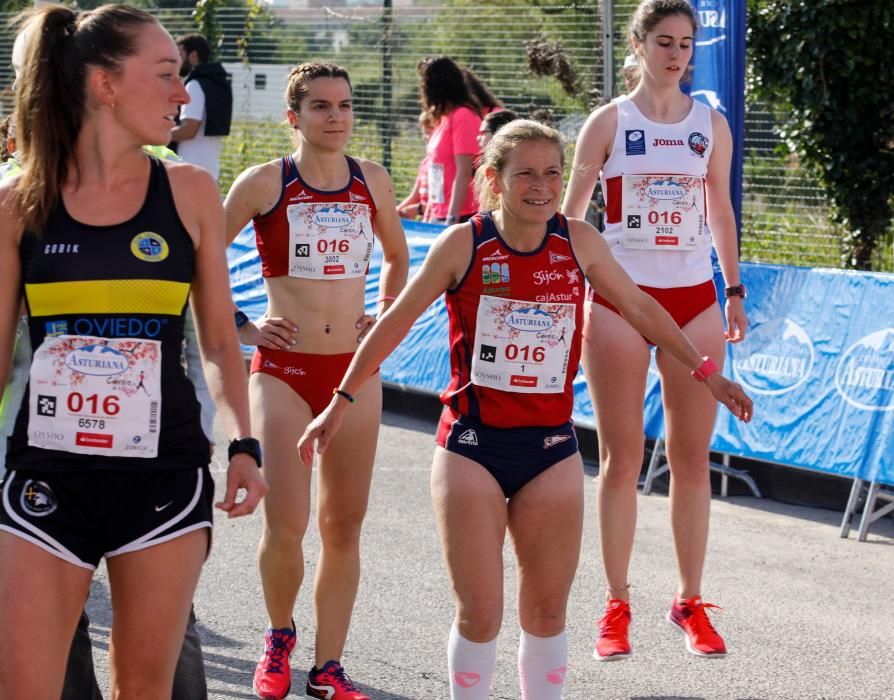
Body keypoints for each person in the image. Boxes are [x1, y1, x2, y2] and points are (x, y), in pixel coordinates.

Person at [298, 120, 752, 699]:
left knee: (546, 613)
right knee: (481, 614)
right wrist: (340, 400)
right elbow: (394, 324)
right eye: (527, 174)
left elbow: (639, 306)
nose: (542, 186)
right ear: (493, 178)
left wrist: (706, 374)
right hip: (471, 447)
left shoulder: (580, 240)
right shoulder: (465, 242)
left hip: (550, 450)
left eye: (553, 174)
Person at [0, 6, 267, 699]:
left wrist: (244, 443)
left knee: (145, 688)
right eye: (168, 75)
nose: (185, 94)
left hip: (162, 477)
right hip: (46, 475)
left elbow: (216, 339)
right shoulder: (18, 200)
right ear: (105, 84)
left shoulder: (188, 191)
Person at [561, 0, 748, 661]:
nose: (676, 53)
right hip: (619, 299)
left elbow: (720, 209)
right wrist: (566, 292)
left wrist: (732, 289)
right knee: (622, 461)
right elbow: (571, 221)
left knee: (692, 461)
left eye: (686, 43)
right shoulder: (609, 122)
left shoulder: (710, 124)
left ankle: (689, 600)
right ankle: (615, 606)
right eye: (663, 41)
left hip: (695, 299)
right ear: (638, 45)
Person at [223, 62, 408, 700]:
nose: (337, 117)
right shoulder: (263, 183)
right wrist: (245, 325)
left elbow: (398, 259)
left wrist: (382, 311)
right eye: (322, 106)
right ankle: (279, 639)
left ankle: (328, 667)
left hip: (353, 370)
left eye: (345, 105)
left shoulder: (373, 181)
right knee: (288, 522)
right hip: (285, 370)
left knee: (344, 525)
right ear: (293, 116)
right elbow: (200, 259)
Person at [418, 56, 483, 225]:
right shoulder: (443, 119)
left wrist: (452, 218)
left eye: (425, 82)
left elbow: (464, 171)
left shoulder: (463, 116)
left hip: (459, 216)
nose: (422, 87)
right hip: (439, 212)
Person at [170, 33, 233, 183]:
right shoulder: (219, 84)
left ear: (193, 55)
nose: (176, 60)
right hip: (209, 169)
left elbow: (189, 130)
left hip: (188, 170)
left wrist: (155, 136)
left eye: (180, 54)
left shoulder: (195, 85)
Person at [396, 112, 435, 220]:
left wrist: (418, 209)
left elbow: (442, 202)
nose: (425, 137)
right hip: (426, 219)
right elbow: (414, 196)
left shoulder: (441, 165)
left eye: (429, 131)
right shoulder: (425, 162)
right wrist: (396, 212)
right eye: (424, 132)